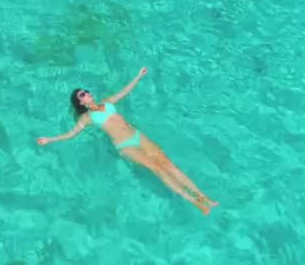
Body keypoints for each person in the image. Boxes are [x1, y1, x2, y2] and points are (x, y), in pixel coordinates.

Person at [36, 67, 218, 215]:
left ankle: (203, 196)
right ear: (81, 103)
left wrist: (138, 75)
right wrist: (49, 139)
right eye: (81, 95)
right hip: (126, 146)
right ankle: (195, 202)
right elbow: (70, 134)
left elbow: (124, 91)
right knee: (157, 168)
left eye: (85, 91)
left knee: (168, 164)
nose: (86, 93)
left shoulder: (107, 102)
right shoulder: (86, 118)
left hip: (138, 136)